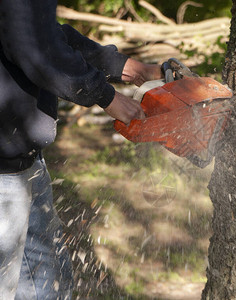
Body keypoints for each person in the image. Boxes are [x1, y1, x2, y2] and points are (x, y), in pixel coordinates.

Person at [0, 0, 162, 299]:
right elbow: (34, 48)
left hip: (24, 163)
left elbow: (42, 34)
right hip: (5, 172)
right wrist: (106, 96)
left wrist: (120, 66)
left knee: (47, 283)